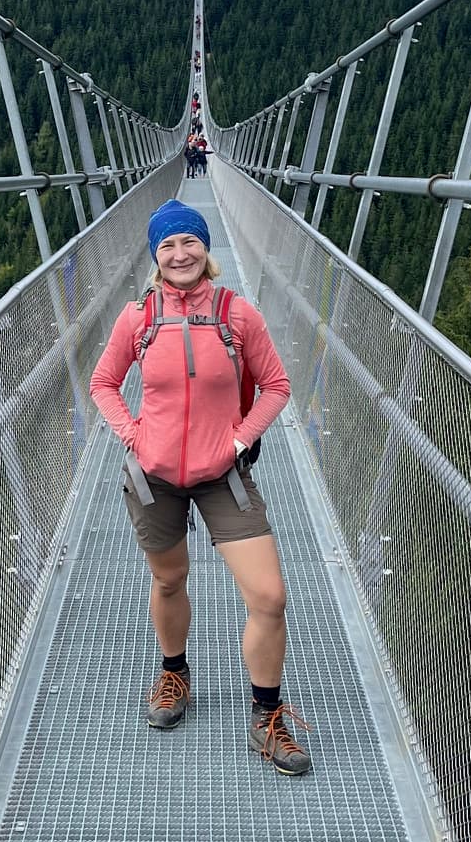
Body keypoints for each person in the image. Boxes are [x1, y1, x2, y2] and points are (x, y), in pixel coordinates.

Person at [89, 200, 311, 775]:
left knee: (269, 597)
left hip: (223, 477)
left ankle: (267, 716)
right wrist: (134, 437)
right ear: (154, 255)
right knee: (169, 578)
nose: (180, 254)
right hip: (154, 476)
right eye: (167, 245)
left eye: (190, 242)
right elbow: (103, 383)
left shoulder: (238, 315)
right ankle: (175, 673)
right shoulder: (136, 318)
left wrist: (238, 442)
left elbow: (278, 385)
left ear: (206, 250)